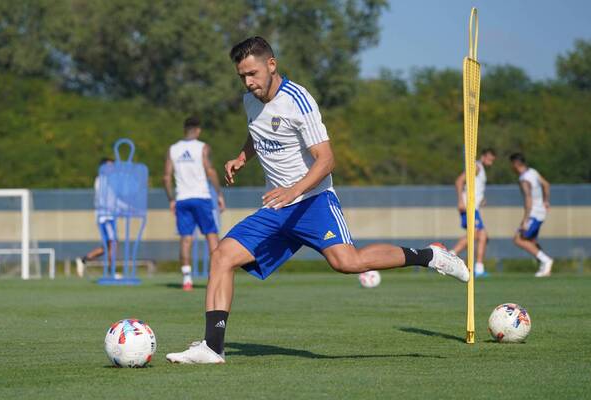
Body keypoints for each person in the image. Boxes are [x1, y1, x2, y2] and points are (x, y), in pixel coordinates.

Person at [166, 36, 469, 364]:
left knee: (347, 263)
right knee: (222, 256)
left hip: (313, 201)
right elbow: (259, 132)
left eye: (252, 73)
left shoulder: (299, 99)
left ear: (272, 64)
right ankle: (213, 347)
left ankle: (428, 256)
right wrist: (242, 156)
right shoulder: (250, 101)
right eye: (242, 76)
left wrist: (293, 190)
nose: (248, 82)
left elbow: (326, 160)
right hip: (277, 208)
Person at [163, 117, 225, 291]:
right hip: (202, 197)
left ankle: (187, 279)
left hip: (182, 199)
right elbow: (210, 170)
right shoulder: (202, 147)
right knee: (211, 235)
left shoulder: (173, 149)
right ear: (198, 130)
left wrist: (171, 200)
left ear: (185, 130)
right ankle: (216, 275)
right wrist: (219, 194)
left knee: (186, 239)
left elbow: (166, 177)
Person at [451, 148, 496, 277]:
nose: (491, 162)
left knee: (482, 235)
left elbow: (475, 188)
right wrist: (460, 201)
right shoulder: (476, 167)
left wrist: (481, 199)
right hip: (467, 206)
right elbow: (459, 181)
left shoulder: (481, 169)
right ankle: (450, 255)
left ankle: (479, 268)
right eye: (489, 159)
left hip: (474, 207)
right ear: (483, 156)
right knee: (477, 234)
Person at [510, 153, 553, 277]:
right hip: (540, 211)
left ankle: (546, 261)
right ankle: (544, 267)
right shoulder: (533, 172)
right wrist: (546, 201)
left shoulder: (524, 179)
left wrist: (525, 220)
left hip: (534, 213)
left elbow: (528, 199)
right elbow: (546, 185)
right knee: (531, 240)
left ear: (516, 164)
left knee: (518, 239)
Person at [76, 158, 117, 277]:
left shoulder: (108, 180)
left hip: (108, 216)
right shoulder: (102, 180)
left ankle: (84, 260)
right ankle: (112, 272)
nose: (112, 168)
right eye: (109, 166)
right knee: (113, 243)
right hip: (105, 217)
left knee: (107, 246)